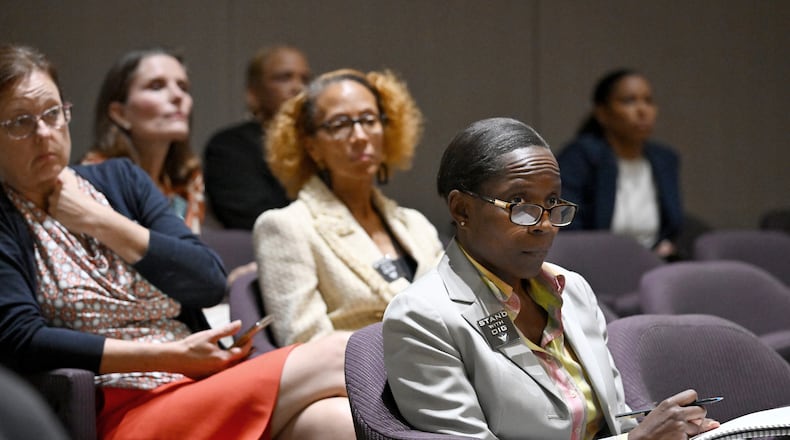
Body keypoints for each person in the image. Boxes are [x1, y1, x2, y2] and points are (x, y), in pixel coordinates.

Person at [0, 44, 353, 439]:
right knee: (343, 353)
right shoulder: (5, 218)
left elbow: (207, 281)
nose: (44, 133)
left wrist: (98, 220)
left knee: (335, 422)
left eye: (52, 114)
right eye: (19, 122)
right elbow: (21, 339)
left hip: (200, 385)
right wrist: (173, 356)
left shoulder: (121, 181)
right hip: (129, 404)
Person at [382, 117, 719, 439]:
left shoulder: (573, 290)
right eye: (519, 203)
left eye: (553, 202)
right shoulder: (422, 316)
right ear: (462, 211)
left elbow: (615, 421)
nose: (545, 224)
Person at [253, 68, 443, 346]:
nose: (360, 135)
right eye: (340, 124)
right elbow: (305, 341)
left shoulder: (415, 225)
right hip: (362, 382)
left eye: (369, 119)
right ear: (311, 146)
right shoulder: (286, 227)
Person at [557, 69, 683, 259]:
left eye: (648, 101)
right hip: (596, 263)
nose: (642, 110)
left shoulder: (665, 159)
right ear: (602, 113)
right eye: (629, 101)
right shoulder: (582, 157)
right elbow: (567, 222)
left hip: (653, 260)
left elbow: (671, 225)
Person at [83, 48, 205, 234]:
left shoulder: (187, 180)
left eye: (183, 87)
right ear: (120, 114)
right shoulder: (93, 181)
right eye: (156, 86)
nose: (178, 96)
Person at [204, 45, 311, 230]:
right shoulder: (229, 146)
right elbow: (254, 218)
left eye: (305, 79)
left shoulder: (320, 144)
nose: (298, 87)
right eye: (284, 78)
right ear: (254, 93)